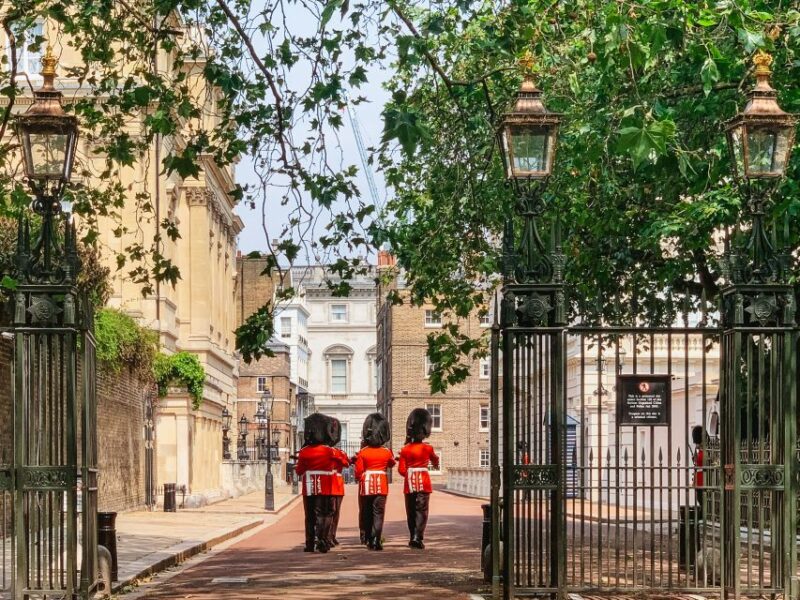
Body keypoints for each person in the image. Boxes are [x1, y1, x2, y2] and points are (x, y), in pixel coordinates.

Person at [295, 413, 346, 553]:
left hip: (310, 487)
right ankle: (323, 540)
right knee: (326, 514)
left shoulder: (304, 452)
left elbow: (299, 471)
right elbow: (344, 462)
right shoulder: (331, 451)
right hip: (326, 486)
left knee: (310, 516)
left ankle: (310, 543)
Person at [398, 408, 440, 550]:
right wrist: (435, 463)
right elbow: (435, 461)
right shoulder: (427, 448)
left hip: (409, 484)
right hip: (423, 482)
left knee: (410, 511)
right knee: (421, 510)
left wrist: (410, 473)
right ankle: (418, 536)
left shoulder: (405, 450)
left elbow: (401, 470)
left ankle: (412, 536)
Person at [354, 413, 394, 550]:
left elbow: (358, 472)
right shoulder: (387, 452)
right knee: (378, 513)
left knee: (366, 512)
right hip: (381, 485)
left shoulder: (363, 452)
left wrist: (360, 478)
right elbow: (392, 463)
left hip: (366, 485)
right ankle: (376, 540)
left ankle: (368, 539)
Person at [325, 416, 348, 547]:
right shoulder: (324, 451)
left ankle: (332, 534)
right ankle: (325, 535)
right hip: (326, 481)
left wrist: (339, 459)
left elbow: (346, 463)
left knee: (336, 512)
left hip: (337, 483)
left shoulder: (340, 452)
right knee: (328, 511)